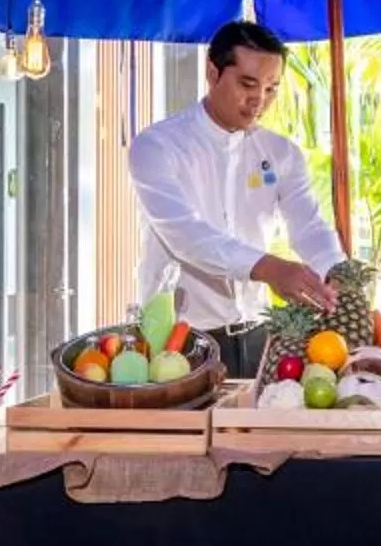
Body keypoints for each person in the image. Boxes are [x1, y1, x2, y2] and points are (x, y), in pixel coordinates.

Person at [127, 20, 344, 378]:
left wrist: (335, 274)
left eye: (272, 88)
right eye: (248, 84)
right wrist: (270, 268)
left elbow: (308, 226)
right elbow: (186, 236)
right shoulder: (157, 146)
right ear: (212, 72)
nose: (260, 100)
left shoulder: (281, 153)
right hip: (179, 341)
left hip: (259, 338)